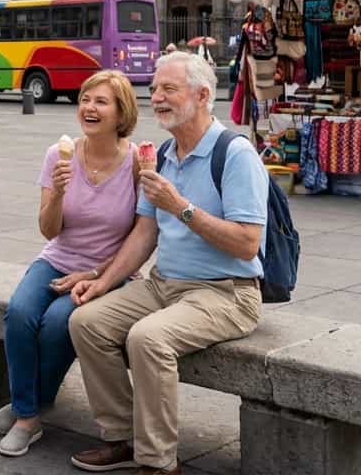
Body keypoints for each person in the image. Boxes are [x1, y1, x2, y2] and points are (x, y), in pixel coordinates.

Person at [66, 52, 268, 475]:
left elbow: (248, 245)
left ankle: (159, 464)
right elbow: (144, 232)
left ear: (202, 95)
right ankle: (122, 437)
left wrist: (181, 207)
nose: (155, 98)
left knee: (147, 338)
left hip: (226, 291)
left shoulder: (235, 154)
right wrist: (102, 283)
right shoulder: (162, 151)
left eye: (168, 90)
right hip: (164, 284)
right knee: (86, 321)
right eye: (155, 89)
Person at [0, 69, 140, 457]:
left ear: (121, 113)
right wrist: (57, 191)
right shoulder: (59, 155)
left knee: (59, 323)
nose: (89, 107)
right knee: (20, 314)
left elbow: (141, 236)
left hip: (107, 271)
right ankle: (29, 409)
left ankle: (26, 414)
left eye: (101, 101)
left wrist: (93, 273)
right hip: (57, 258)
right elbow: (48, 230)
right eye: (86, 99)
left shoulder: (137, 163)